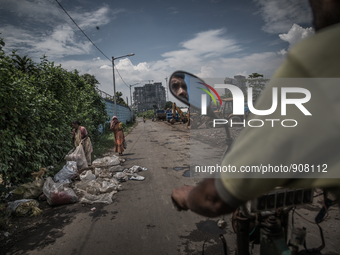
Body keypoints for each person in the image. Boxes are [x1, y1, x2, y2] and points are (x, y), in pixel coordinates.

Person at [171, 0, 340, 217]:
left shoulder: (322, 59)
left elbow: (213, 197)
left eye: (183, 86)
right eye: (176, 88)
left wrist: (188, 195)